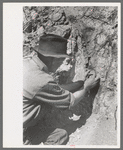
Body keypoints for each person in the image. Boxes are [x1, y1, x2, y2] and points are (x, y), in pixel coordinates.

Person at [23, 34, 100, 145]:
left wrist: (80, 83)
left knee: (58, 134)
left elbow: (53, 90)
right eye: (61, 60)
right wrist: (86, 87)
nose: (61, 63)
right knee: (59, 136)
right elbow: (71, 101)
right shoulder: (41, 79)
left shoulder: (27, 64)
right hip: (19, 133)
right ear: (53, 59)